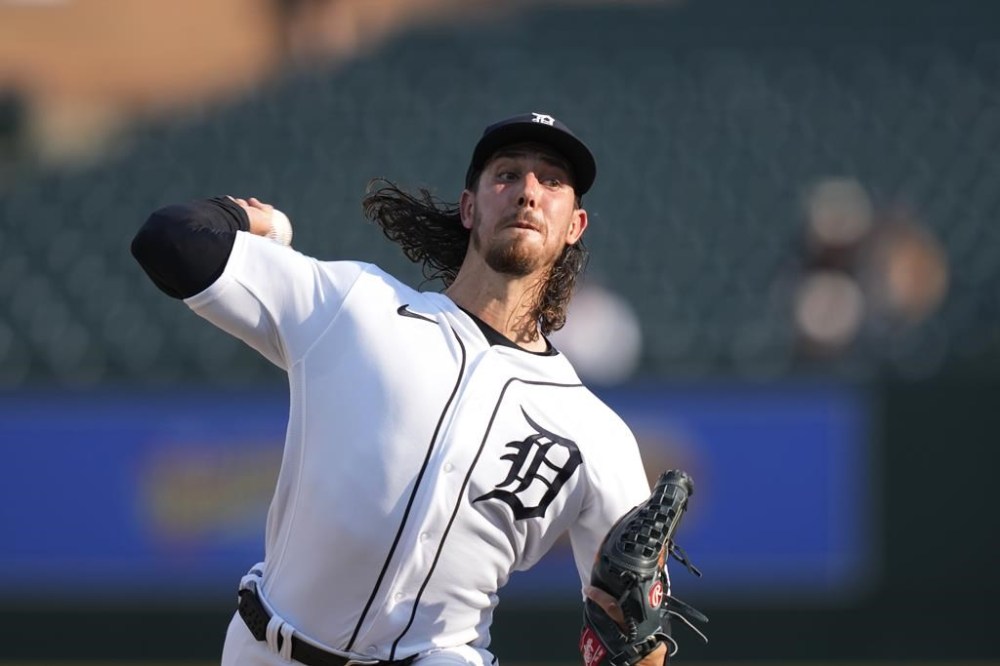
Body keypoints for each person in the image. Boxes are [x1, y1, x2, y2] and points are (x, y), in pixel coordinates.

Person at [131, 112, 668, 666]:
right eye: (507, 174)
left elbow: (638, 636)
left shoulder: (596, 434)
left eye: (551, 180)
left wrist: (636, 634)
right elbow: (170, 241)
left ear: (575, 224)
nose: (528, 192)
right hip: (270, 650)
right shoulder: (356, 305)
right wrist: (249, 220)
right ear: (469, 208)